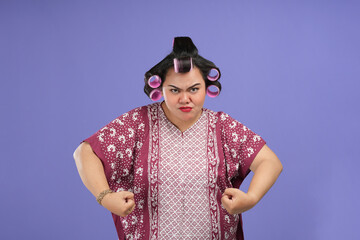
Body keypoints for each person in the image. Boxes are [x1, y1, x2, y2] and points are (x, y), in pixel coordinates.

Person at [73, 37, 283, 240]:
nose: (185, 99)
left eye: (194, 89)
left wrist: (251, 198)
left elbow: (270, 162)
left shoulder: (223, 127)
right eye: (174, 90)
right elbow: (85, 152)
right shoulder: (138, 123)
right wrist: (105, 197)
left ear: (207, 87)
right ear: (160, 88)